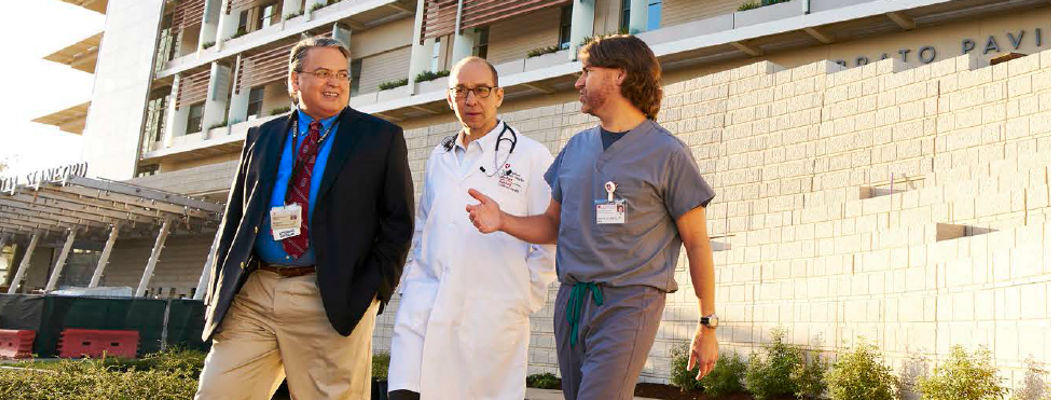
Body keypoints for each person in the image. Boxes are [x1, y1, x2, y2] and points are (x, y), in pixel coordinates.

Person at [465, 34, 719, 400]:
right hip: (572, 302)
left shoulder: (668, 153)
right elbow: (552, 225)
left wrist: (707, 323)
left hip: (629, 303)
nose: (578, 82)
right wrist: (502, 219)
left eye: (587, 71)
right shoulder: (576, 147)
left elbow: (697, 243)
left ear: (619, 75)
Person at [195, 36, 415, 400]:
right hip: (257, 292)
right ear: (294, 80)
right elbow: (235, 219)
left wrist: (371, 293)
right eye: (323, 73)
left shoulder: (379, 137)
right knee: (218, 392)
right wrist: (219, 291)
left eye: (343, 75)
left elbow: (398, 222)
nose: (335, 83)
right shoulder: (262, 136)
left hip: (330, 297)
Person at [387, 56, 557, 400]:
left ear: (499, 95)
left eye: (481, 90)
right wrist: (411, 283)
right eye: (461, 91)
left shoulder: (531, 156)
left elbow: (551, 234)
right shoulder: (440, 156)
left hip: (492, 314)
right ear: (450, 99)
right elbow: (423, 226)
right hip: (426, 303)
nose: (471, 100)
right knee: (405, 391)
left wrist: (526, 295)